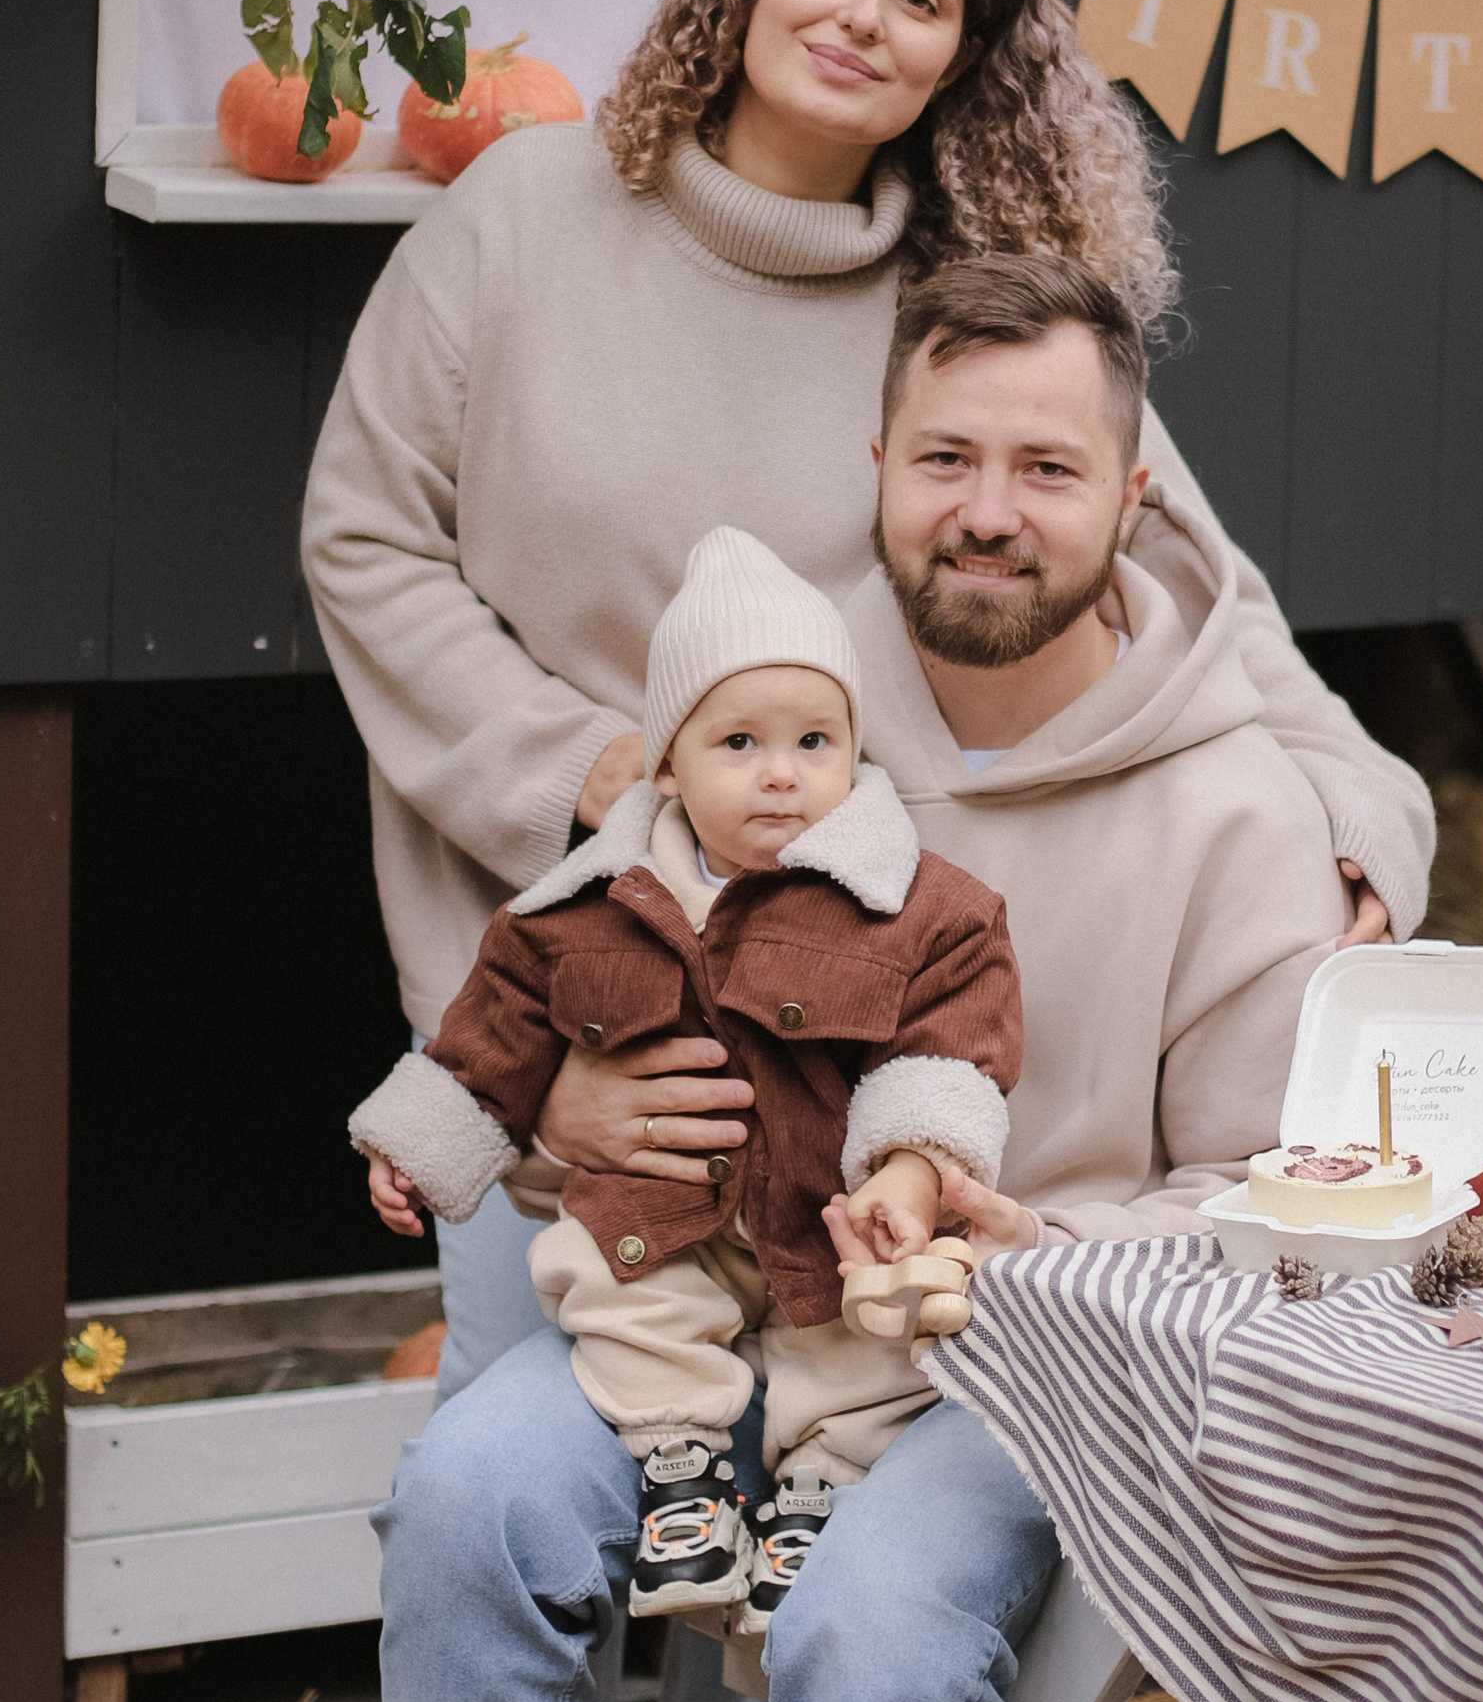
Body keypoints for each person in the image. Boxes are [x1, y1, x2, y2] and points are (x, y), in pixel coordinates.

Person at [297, 0, 1433, 1702]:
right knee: (507, 1483)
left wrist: (1367, 828)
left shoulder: (969, 296)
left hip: (822, 1013)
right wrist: (591, 772)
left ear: (963, 60)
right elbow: (363, 538)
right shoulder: (522, 218)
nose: (863, 15)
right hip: (573, 989)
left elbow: (1196, 586)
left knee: (782, 1463)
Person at [289, 258, 1355, 1702]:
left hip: (1017, 1363)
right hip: (716, 1302)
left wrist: (1028, 1243)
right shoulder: (759, 707)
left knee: (875, 1631)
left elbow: (1279, 1187)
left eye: (1044, 468)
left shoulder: (1237, 807)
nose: (988, 509)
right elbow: (561, 961)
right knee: (478, 1491)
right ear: (876, 472)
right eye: (945, 457)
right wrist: (569, 1117)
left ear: (1128, 495)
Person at [347, 526, 1020, 1631]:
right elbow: (493, 1035)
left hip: (823, 1216)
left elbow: (947, 1047)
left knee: (862, 1335)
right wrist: (415, 1145)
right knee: (610, 1290)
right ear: (665, 763)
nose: (781, 772)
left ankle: (819, 1491)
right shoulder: (580, 909)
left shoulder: (915, 905)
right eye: (739, 742)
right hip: (667, 1219)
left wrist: (908, 1175)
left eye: (815, 739)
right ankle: (681, 1477)